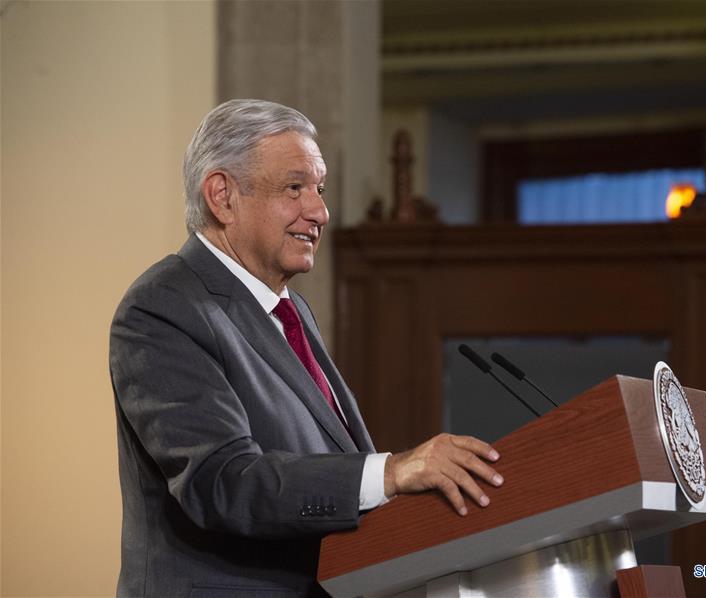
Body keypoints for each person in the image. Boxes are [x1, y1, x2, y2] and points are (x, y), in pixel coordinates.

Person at [109, 99, 504, 597]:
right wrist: (394, 470)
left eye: (318, 190)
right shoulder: (163, 308)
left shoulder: (288, 310)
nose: (319, 212)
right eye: (294, 188)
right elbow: (222, 481)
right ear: (222, 196)